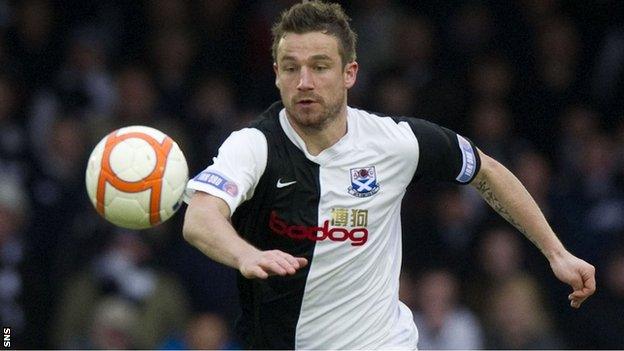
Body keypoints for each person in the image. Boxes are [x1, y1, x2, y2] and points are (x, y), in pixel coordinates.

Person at [182, 1, 596, 349]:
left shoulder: (394, 143)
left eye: (320, 66)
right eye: (290, 68)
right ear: (275, 73)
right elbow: (200, 217)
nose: (304, 82)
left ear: (350, 73)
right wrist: (246, 254)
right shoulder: (253, 145)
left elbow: (485, 170)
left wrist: (556, 252)